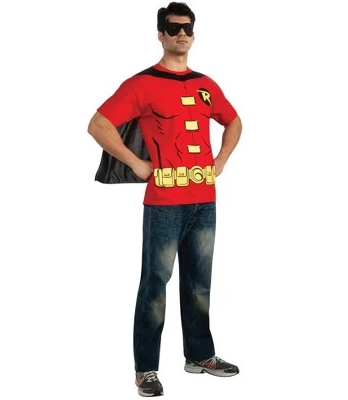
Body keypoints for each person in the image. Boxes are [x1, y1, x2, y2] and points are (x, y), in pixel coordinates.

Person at [87, 2, 243, 397]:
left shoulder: (206, 85)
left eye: (187, 28)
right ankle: (146, 370)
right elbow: (99, 124)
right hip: (164, 204)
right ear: (160, 34)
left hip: (204, 200)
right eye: (173, 28)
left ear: (194, 33)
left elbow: (234, 120)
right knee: (155, 286)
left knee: (199, 284)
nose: (181, 34)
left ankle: (200, 355)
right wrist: (136, 163)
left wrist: (221, 159)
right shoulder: (141, 84)